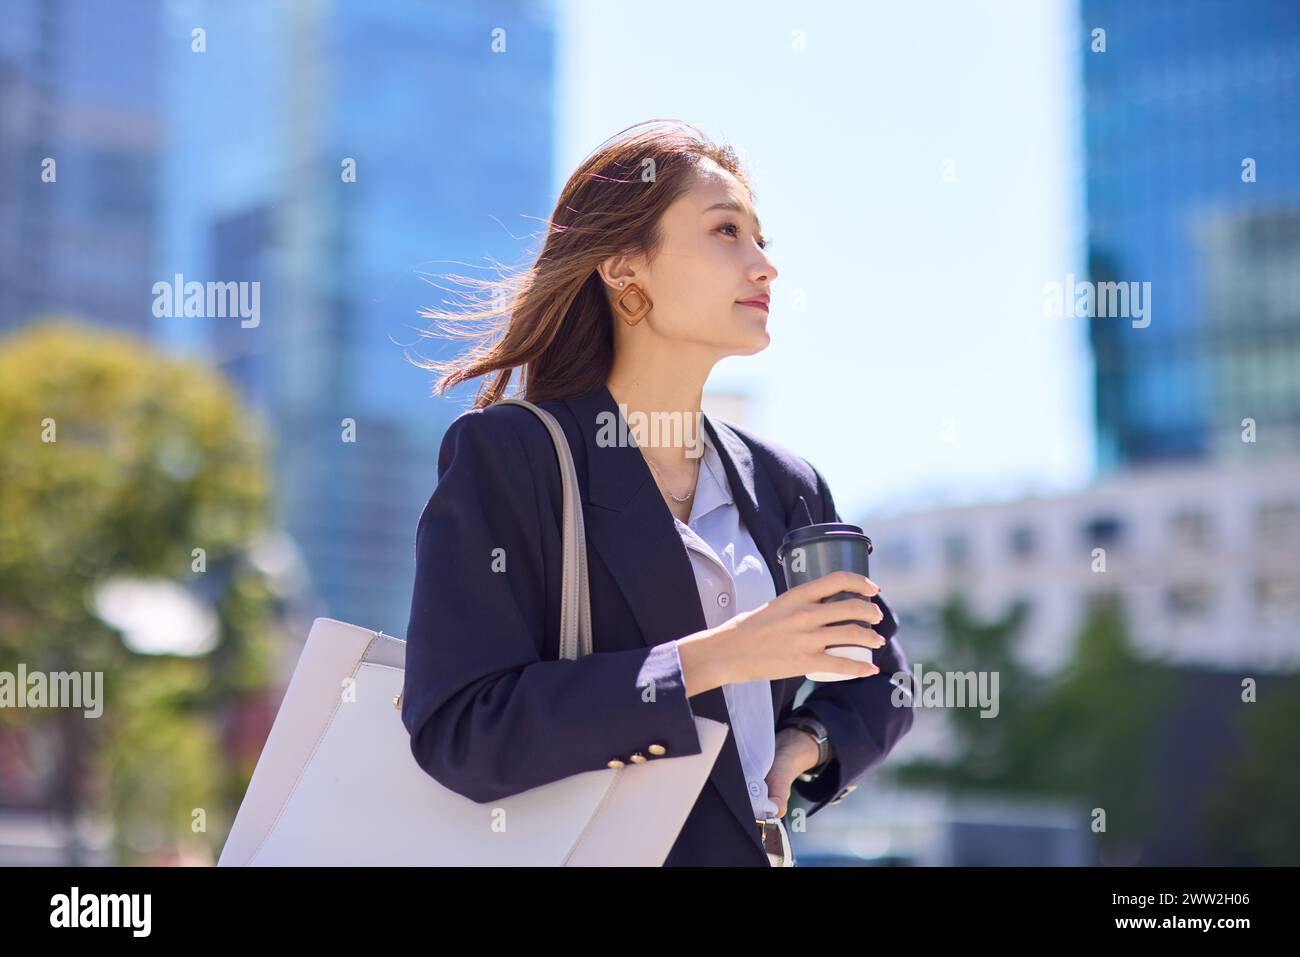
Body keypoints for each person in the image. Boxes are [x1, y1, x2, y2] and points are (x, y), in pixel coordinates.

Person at [400, 119, 915, 867]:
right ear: (624, 268)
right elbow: (462, 728)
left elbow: (884, 672)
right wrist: (720, 656)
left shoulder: (784, 480)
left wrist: (798, 749)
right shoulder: (513, 456)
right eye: (727, 232)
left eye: (763, 239)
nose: (764, 265)